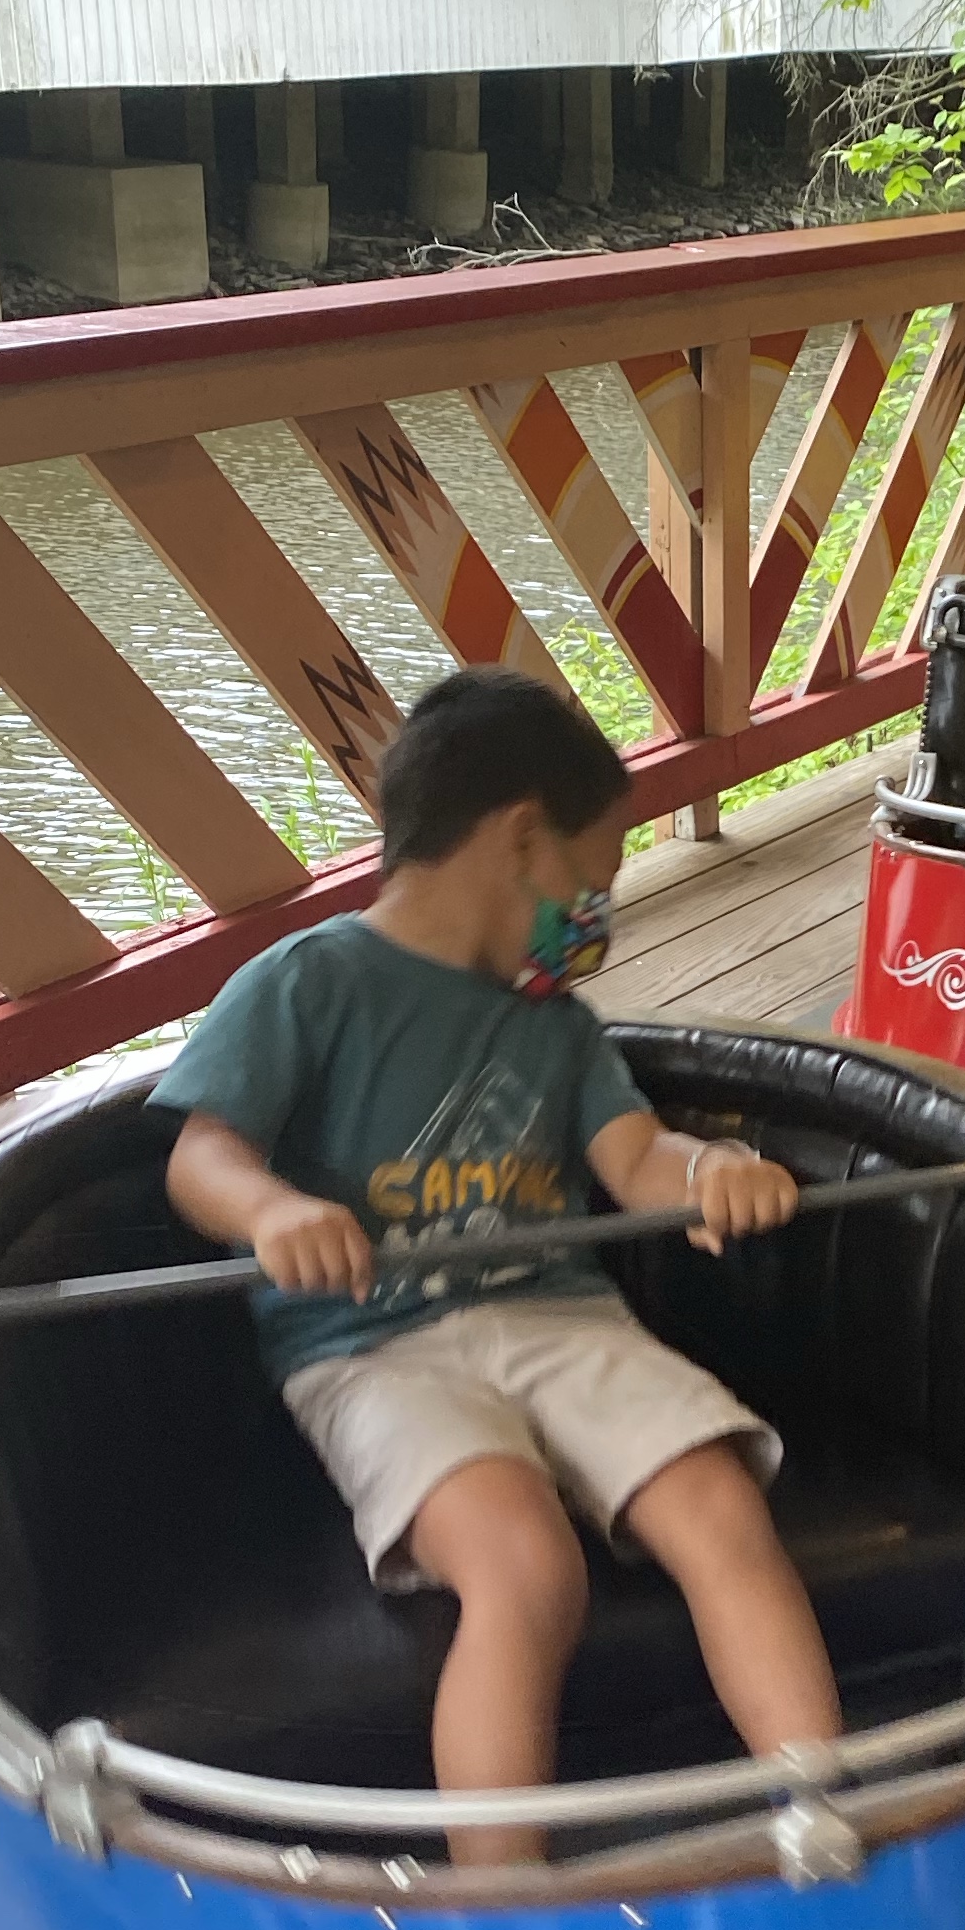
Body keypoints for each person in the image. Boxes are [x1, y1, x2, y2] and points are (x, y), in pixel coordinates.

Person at [151, 669, 840, 1867]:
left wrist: (714, 1169)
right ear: (523, 839)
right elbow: (201, 1153)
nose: (599, 910)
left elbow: (637, 1159)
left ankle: (822, 1814)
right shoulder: (311, 981)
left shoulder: (556, 1029)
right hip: (373, 1345)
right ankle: (502, 1893)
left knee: (720, 1505)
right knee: (525, 1566)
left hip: (560, 1318)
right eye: (596, 874)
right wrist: (272, 1211)